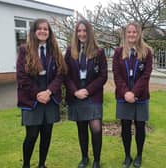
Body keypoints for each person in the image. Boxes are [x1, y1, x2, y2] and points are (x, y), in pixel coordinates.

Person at [16, 18, 67, 168]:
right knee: (31, 136)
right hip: (32, 100)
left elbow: (61, 74)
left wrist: (49, 92)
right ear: (34, 31)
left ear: (49, 32)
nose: (43, 31)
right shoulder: (24, 50)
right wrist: (39, 94)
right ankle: (26, 165)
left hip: (50, 100)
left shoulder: (55, 50)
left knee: (46, 135)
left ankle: (42, 164)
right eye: (40, 28)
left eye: (46, 29)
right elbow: (22, 76)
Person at [64, 19, 107, 168]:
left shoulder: (99, 52)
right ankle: (84, 158)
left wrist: (87, 90)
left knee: (96, 128)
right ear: (76, 33)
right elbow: (65, 75)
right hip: (76, 96)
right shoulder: (70, 51)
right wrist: (75, 91)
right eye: (79, 31)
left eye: (84, 31)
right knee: (81, 128)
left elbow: (103, 76)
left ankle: (96, 160)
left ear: (89, 32)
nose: (82, 34)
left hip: (93, 95)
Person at [112, 22, 153, 168]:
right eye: (129, 32)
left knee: (140, 126)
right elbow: (117, 75)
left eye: (134, 32)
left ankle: (139, 155)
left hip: (140, 97)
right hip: (123, 97)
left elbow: (146, 75)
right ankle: (127, 156)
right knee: (125, 126)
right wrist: (126, 93)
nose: (131, 34)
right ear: (125, 34)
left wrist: (134, 93)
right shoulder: (118, 52)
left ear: (139, 33)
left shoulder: (147, 52)